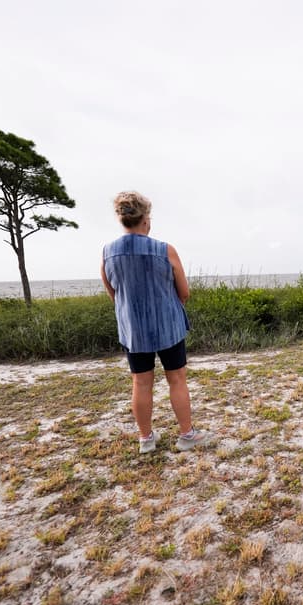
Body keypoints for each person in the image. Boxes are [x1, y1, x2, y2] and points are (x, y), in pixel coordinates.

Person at [101, 191, 212, 453]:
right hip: (168, 326)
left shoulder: (108, 252)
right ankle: (187, 435)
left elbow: (112, 292)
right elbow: (184, 292)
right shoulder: (164, 250)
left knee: (140, 383)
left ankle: (146, 439)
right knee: (177, 379)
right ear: (145, 220)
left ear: (122, 220)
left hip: (134, 330)